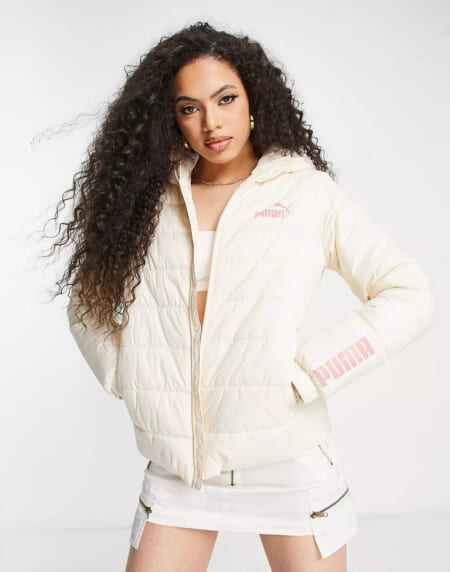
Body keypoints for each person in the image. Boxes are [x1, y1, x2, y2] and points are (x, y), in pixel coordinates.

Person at [48, 21, 434, 572]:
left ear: (254, 100)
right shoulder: (148, 201)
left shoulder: (306, 193)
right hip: (180, 468)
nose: (211, 122)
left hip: (287, 460)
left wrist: (308, 375)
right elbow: (85, 302)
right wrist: (125, 373)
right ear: (171, 118)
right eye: (190, 108)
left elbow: (407, 293)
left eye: (225, 99)